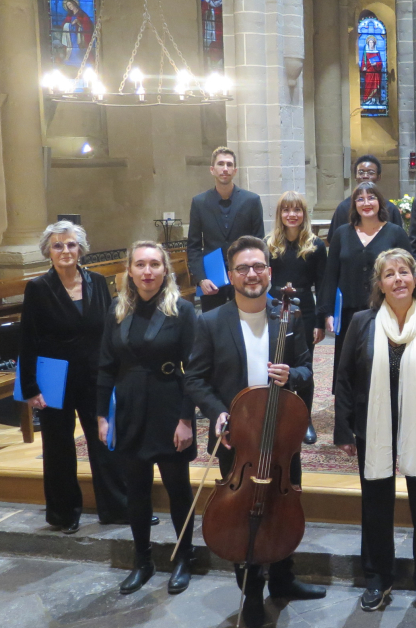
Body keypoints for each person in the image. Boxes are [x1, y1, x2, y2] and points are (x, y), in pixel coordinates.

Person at [184, 236, 326, 628]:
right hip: (239, 437)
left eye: (259, 267)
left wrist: (291, 375)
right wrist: (217, 414)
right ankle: (251, 594)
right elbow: (195, 380)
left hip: (281, 437)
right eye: (244, 268)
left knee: (281, 508)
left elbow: (306, 370)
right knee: (244, 515)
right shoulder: (211, 322)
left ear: (270, 271)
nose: (252, 274)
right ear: (231, 276)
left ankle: (283, 579)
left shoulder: (289, 318)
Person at [334, 249, 416, 615]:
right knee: (374, 506)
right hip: (372, 428)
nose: (398, 279)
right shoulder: (361, 322)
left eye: (405, 272)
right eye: (390, 274)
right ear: (380, 284)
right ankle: (377, 578)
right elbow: (343, 379)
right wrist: (343, 430)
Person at [96, 241, 197, 595]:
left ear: (165, 270)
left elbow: (195, 370)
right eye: (140, 264)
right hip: (129, 407)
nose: (148, 271)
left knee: (178, 490)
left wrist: (187, 420)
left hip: (169, 407)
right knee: (136, 492)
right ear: (130, 271)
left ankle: (184, 557)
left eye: (155, 264)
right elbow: (106, 366)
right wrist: (101, 416)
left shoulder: (182, 310)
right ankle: (143, 560)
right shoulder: (117, 310)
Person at [19, 220, 129, 533]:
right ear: (48, 252)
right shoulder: (38, 288)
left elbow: (111, 331)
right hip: (55, 380)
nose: (65, 251)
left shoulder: (97, 280)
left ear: (80, 248)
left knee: (105, 441)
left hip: (95, 376)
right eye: (58, 245)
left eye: (71, 244)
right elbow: (28, 340)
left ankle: (117, 508)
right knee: (58, 447)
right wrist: (30, 387)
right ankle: (64, 514)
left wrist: (117, 371)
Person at [319, 182, 412, 391]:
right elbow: (330, 275)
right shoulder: (342, 234)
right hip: (349, 313)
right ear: (354, 205)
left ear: (380, 202)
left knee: (383, 366)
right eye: (360, 199)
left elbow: (409, 272)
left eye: (371, 197)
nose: (366, 203)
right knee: (350, 368)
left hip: (386, 311)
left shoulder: (395, 233)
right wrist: (327, 313)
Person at [267, 191, 326, 444]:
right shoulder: (269, 244)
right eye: (286, 210)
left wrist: (321, 321)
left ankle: (305, 420)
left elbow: (323, 285)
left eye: (297, 210)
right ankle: (277, 415)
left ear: (304, 214)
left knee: (304, 368)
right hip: (274, 311)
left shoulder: (316, 245)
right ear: (280, 214)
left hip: (305, 313)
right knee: (276, 365)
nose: (292, 215)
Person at [188, 146, 266, 312]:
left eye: (229, 165)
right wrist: (201, 279)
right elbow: (193, 247)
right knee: (213, 329)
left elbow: (260, 243)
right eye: (220, 164)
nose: (225, 169)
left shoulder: (251, 201)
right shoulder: (199, 203)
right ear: (212, 170)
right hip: (212, 279)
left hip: (245, 275)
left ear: (235, 170)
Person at [327, 155, 403, 240]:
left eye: (371, 173)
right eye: (361, 172)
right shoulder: (343, 208)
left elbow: (399, 241)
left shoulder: (390, 208)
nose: (365, 176)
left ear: (379, 177)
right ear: (355, 176)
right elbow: (335, 241)